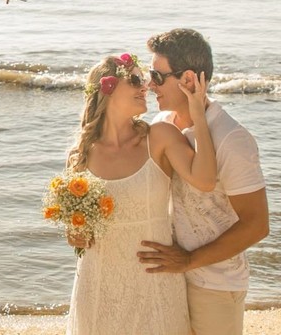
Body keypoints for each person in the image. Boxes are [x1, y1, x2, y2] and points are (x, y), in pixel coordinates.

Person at [65, 53, 218, 335]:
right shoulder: (84, 153)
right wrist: (75, 235)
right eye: (135, 79)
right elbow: (78, 232)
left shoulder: (159, 136)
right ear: (106, 88)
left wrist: (198, 113)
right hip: (98, 284)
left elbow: (206, 180)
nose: (145, 86)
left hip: (153, 283)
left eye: (144, 79)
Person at [137, 29, 270, 335]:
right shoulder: (162, 125)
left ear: (188, 81)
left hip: (216, 284)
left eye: (158, 76)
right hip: (168, 275)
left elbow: (257, 224)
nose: (150, 84)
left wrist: (190, 260)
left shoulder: (231, 138)